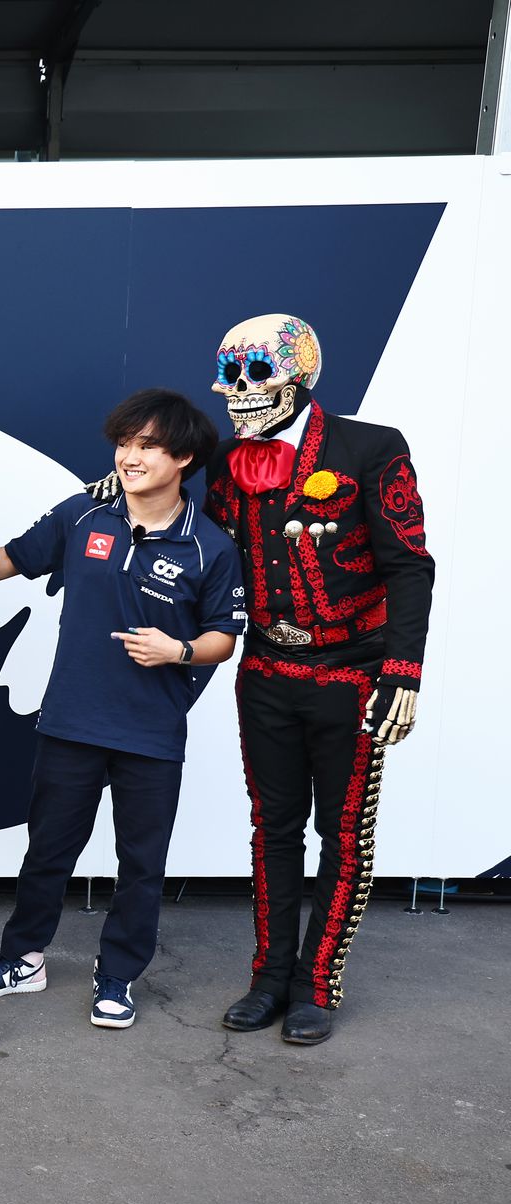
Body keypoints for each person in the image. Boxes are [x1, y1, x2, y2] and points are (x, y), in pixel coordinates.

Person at [0, 389, 243, 1028]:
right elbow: (8, 561)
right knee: (47, 850)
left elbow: (223, 639)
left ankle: (116, 975)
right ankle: (22, 958)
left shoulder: (210, 547)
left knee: (141, 866)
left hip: (151, 731)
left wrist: (177, 650)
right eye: (124, 443)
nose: (129, 456)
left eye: (148, 445)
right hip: (71, 720)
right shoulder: (82, 514)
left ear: (184, 458)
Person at [203, 314, 434, 1045]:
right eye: (228, 376)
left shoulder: (371, 447)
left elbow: (409, 567)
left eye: (254, 375)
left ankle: (318, 982)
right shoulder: (225, 459)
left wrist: (403, 674)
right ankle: (269, 977)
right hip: (266, 670)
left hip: (353, 674)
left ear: (299, 378)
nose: (236, 392)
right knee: (272, 826)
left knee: (343, 833)